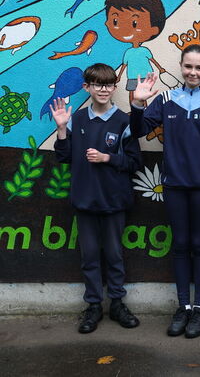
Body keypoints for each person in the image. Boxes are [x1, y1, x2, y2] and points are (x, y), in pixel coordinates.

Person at [130, 44, 200, 339]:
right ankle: (183, 307)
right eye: (188, 66)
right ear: (181, 66)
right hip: (174, 185)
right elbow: (138, 131)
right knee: (180, 245)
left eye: (199, 67)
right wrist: (137, 104)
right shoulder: (165, 99)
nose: (193, 72)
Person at [52, 63, 142, 334]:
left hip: (114, 200)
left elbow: (135, 161)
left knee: (114, 254)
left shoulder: (124, 120)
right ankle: (93, 306)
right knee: (89, 256)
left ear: (115, 88)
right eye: (97, 84)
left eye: (108, 84)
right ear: (86, 87)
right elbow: (64, 157)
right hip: (85, 200)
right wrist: (61, 130)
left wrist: (108, 158)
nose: (103, 89)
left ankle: (116, 303)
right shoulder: (77, 119)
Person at [104, 0, 175, 104]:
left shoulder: (144, 51)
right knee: (132, 93)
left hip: (145, 75)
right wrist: (120, 76)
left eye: (134, 23)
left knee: (142, 94)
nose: (125, 30)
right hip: (131, 75)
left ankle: (143, 110)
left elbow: (152, 60)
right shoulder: (128, 52)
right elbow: (124, 65)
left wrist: (160, 68)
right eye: (115, 21)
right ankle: (134, 111)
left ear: (153, 30)